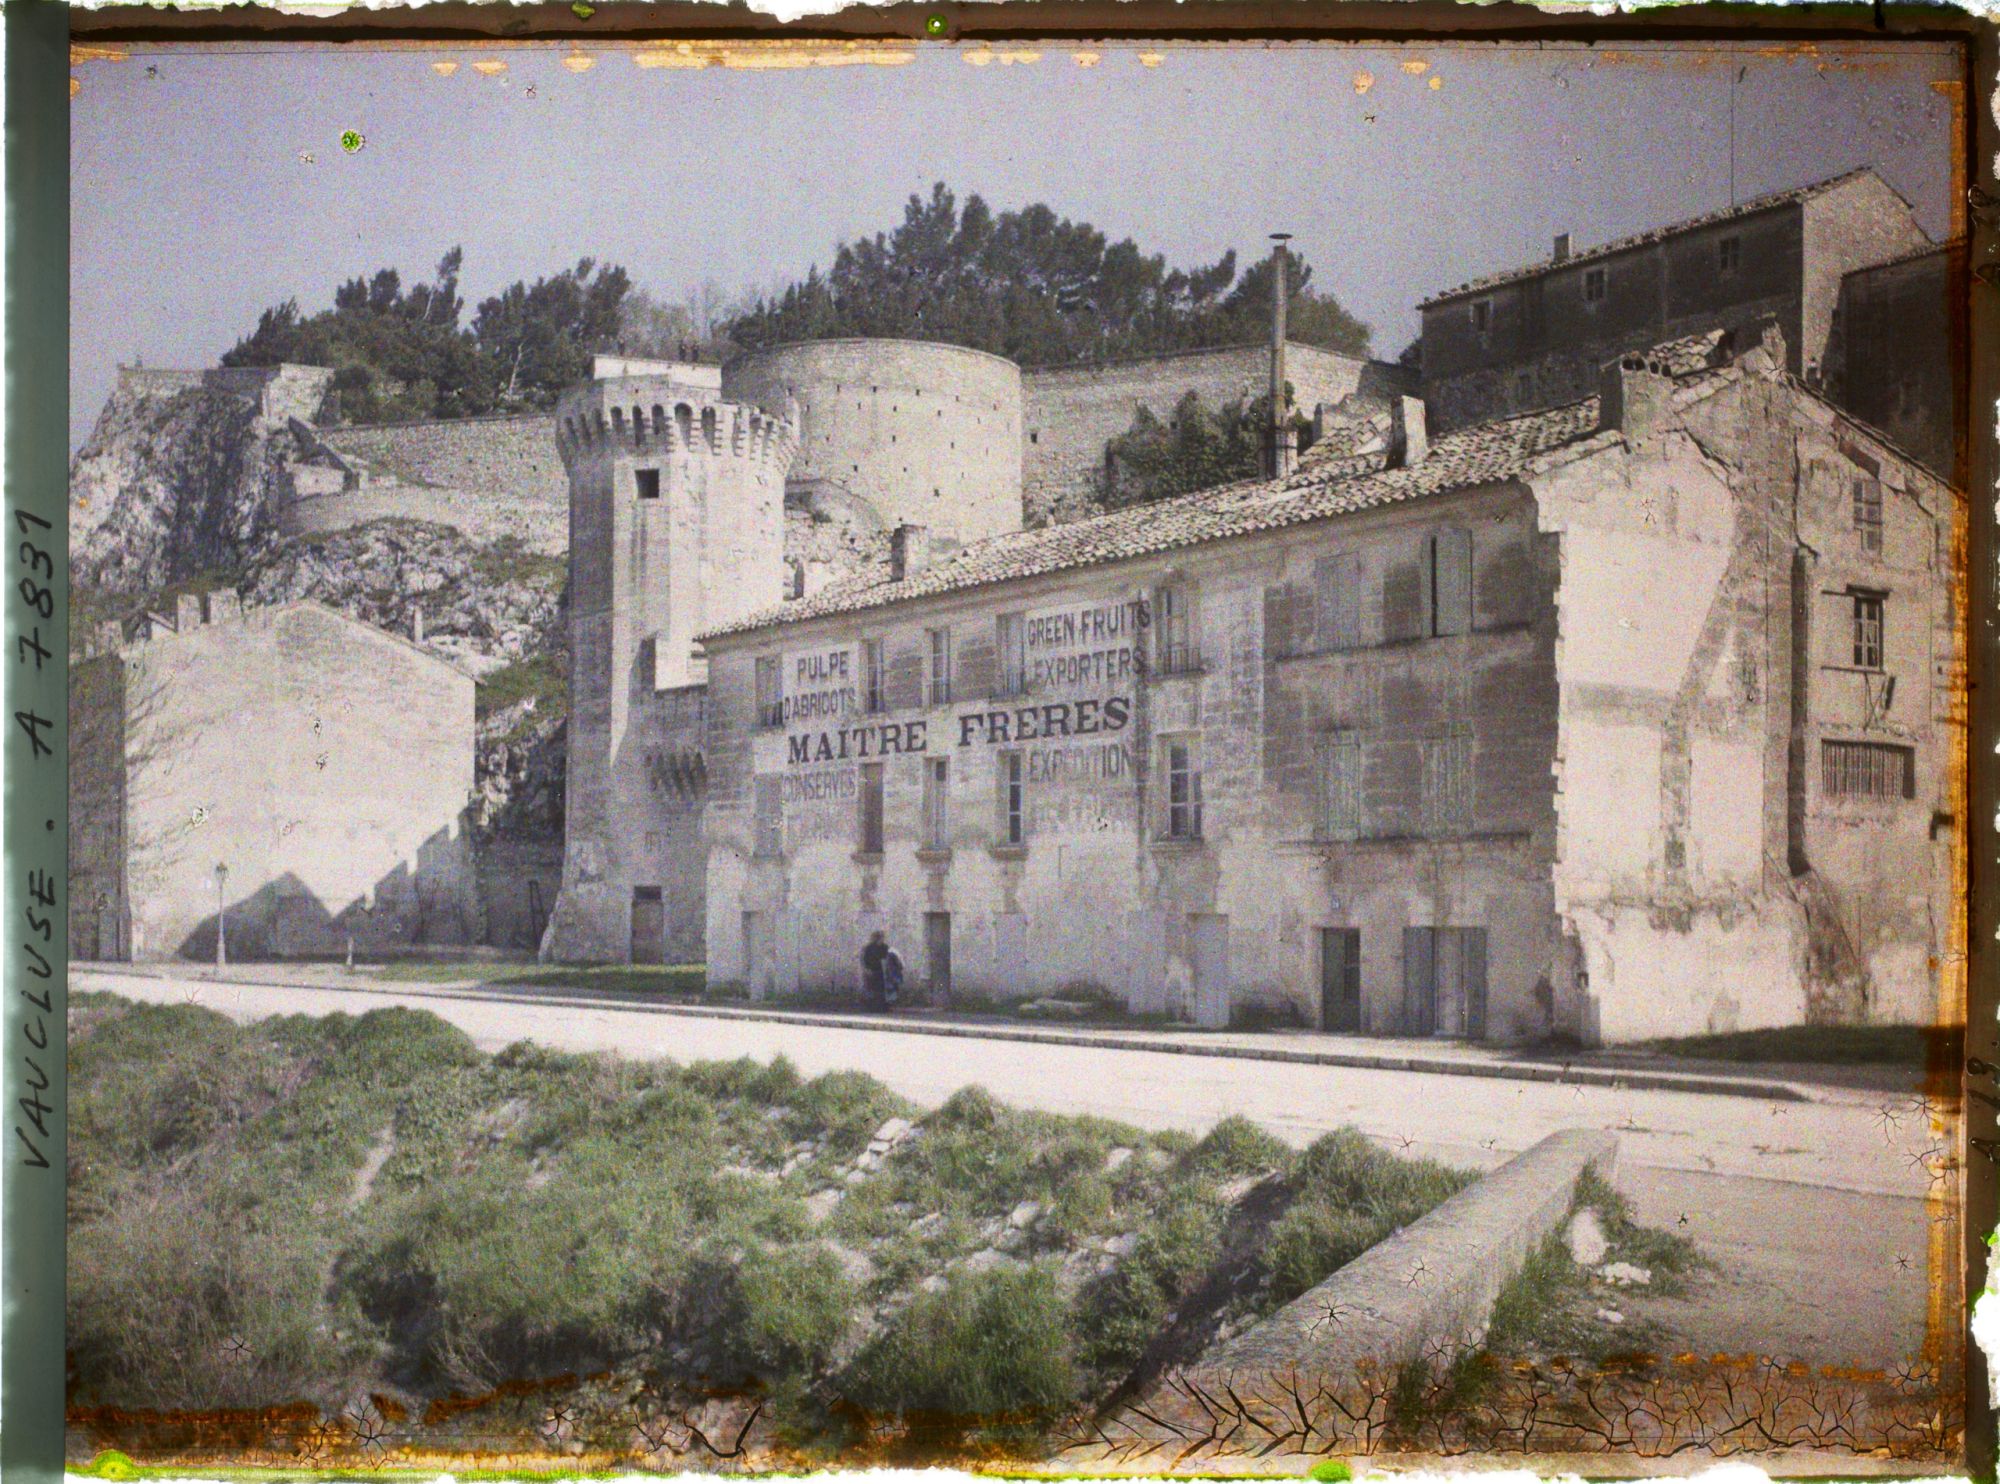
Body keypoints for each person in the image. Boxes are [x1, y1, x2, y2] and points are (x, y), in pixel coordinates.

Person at [861, 929, 889, 1009]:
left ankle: (882, 1006)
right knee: (871, 988)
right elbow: (864, 959)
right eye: (879, 937)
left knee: (881, 989)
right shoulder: (869, 948)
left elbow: (887, 958)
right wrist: (866, 969)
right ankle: (871, 1006)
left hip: (880, 971)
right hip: (871, 970)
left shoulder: (884, 947)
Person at [881, 943, 906, 1010]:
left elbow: (899, 964)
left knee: (891, 990)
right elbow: (901, 965)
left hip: (891, 975)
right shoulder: (893, 952)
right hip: (893, 975)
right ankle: (891, 1004)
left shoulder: (890, 954)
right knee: (893, 989)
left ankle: (890, 1005)